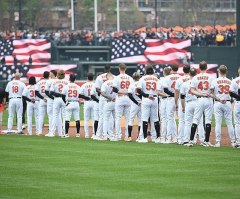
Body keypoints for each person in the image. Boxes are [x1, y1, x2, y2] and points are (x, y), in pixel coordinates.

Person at [186, 61, 215, 147]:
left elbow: (192, 90)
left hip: (199, 99)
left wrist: (200, 94)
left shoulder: (195, 77)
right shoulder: (211, 77)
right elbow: (212, 90)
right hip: (208, 99)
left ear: (199, 67)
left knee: (195, 119)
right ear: (206, 67)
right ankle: (206, 141)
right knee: (208, 120)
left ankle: (191, 140)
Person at [210, 65, 236, 147]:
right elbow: (233, 94)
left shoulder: (214, 81)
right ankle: (233, 142)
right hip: (227, 103)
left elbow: (211, 93)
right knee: (229, 123)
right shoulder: (230, 81)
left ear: (219, 71)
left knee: (218, 123)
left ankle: (217, 142)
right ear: (226, 71)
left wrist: (219, 99)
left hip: (218, 103)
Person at [180, 68, 205, 145]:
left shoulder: (184, 83)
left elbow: (182, 97)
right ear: (196, 74)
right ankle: (202, 140)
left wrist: (183, 106)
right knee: (200, 122)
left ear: (189, 74)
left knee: (187, 123)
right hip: (198, 102)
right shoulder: (198, 82)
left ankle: (186, 140)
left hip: (189, 103)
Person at [137, 64, 160, 143]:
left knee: (144, 119)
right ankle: (157, 137)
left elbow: (139, 91)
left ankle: (144, 138)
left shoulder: (142, 78)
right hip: (155, 98)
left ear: (145, 70)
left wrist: (147, 95)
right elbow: (159, 90)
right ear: (153, 70)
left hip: (146, 99)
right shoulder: (156, 79)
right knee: (155, 119)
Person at [112, 63, 134, 141]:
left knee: (118, 117)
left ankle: (118, 135)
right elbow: (132, 90)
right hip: (128, 98)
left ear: (119, 69)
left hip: (120, 98)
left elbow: (114, 89)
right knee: (128, 118)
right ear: (126, 68)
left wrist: (120, 92)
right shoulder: (130, 78)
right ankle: (127, 135)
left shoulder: (116, 78)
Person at [48, 70, 69, 137]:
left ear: (58, 75)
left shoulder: (54, 82)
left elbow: (51, 92)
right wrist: (62, 95)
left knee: (55, 116)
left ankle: (52, 132)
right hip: (64, 99)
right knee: (64, 116)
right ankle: (64, 133)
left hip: (56, 99)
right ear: (63, 75)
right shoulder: (67, 82)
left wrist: (59, 95)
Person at [94, 66, 112, 140]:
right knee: (110, 117)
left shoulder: (99, 77)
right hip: (111, 98)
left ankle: (98, 134)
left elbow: (97, 89)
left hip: (102, 97)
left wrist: (102, 92)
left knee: (101, 116)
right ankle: (109, 134)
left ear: (104, 70)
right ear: (110, 69)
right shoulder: (113, 77)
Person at [163, 65, 181, 143]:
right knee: (181, 119)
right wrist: (176, 95)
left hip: (170, 99)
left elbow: (165, 90)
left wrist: (173, 95)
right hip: (180, 99)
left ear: (171, 70)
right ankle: (178, 137)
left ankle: (169, 138)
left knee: (170, 119)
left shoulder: (167, 78)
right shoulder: (181, 77)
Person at [174, 65, 190, 144]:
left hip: (182, 101)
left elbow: (177, 92)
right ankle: (190, 139)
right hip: (191, 101)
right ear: (189, 70)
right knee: (190, 121)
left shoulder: (179, 79)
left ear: (183, 71)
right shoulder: (192, 79)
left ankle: (180, 139)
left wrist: (176, 102)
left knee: (181, 121)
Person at [100, 73, 117, 141]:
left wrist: (109, 97)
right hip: (116, 102)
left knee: (106, 119)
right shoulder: (116, 82)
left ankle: (105, 135)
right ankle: (114, 135)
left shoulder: (105, 83)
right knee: (116, 119)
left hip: (108, 102)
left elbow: (102, 93)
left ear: (107, 77)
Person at [158, 66, 171, 143]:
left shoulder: (162, 80)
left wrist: (166, 95)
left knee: (164, 119)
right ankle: (173, 137)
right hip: (172, 100)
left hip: (164, 100)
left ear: (164, 72)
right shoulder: (175, 79)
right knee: (171, 119)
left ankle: (163, 138)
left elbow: (158, 92)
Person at [127, 72, 142, 141]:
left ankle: (129, 136)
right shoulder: (141, 83)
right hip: (142, 103)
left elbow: (130, 95)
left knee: (131, 120)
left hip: (134, 104)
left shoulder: (132, 85)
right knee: (140, 120)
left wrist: (136, 102)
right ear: (139, 77)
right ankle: (139, 137)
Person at [80, 73, 95, 138]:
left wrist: (87, 98)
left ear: (87, 78)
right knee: (94, 119)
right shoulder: (95, 85)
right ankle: (94, 134)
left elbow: (80, 95)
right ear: (93, 78)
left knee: (86, 119)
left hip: (87, 102)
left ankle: (86, 134)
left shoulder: (84, 85)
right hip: (94, 102)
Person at [35, 71, 49, 135]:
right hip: (49, 99)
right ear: (49, 75)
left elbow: (36, 92)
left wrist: (42, 98)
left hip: (42, 99)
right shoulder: (50, 81)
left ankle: (39, 131)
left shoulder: (39, 82)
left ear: (43, 75)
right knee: (51, 116)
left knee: (41, 116)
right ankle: (51, 131)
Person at [44, 70, 58, 137]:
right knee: (57, 116)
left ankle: (51, 132)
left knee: (50, 115)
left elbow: (46, 92)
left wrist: (52, 98)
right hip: (57, 99)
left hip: (50, 99)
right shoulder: (58, 81)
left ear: (52, 74)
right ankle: (60, 132)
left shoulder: (49, 81)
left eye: (50, 73)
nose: (49, 74)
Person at [229, 66, 240, 148]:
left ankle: (239, 142)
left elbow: (231, 93)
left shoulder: (235, 80)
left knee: (237, 123)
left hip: (238, 103)